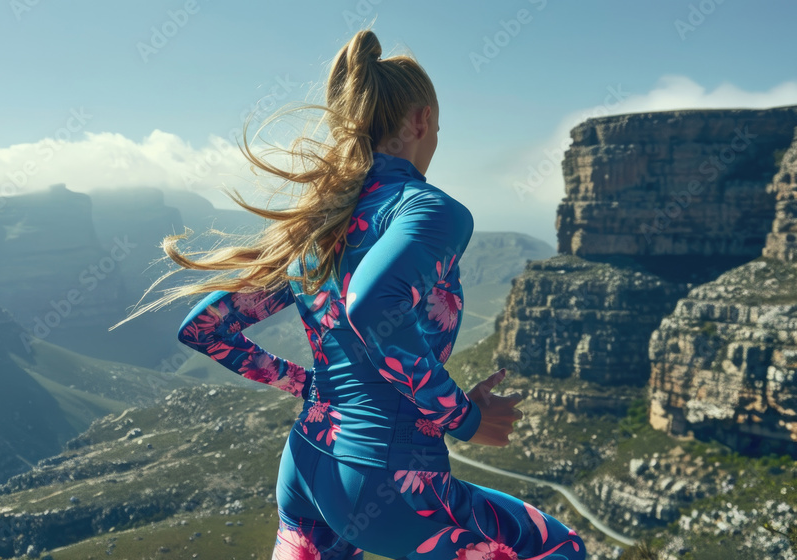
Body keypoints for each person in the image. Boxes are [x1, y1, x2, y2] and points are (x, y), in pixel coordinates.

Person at [110, 28, 586, 560]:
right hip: (393, 488)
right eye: (438, 127)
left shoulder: (319, 225)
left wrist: (311, 384)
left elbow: (205, 329)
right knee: (560, 549)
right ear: (421, 120)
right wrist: (462, 418)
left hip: (307, 468)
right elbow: (373, 302)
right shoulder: (429, 210)